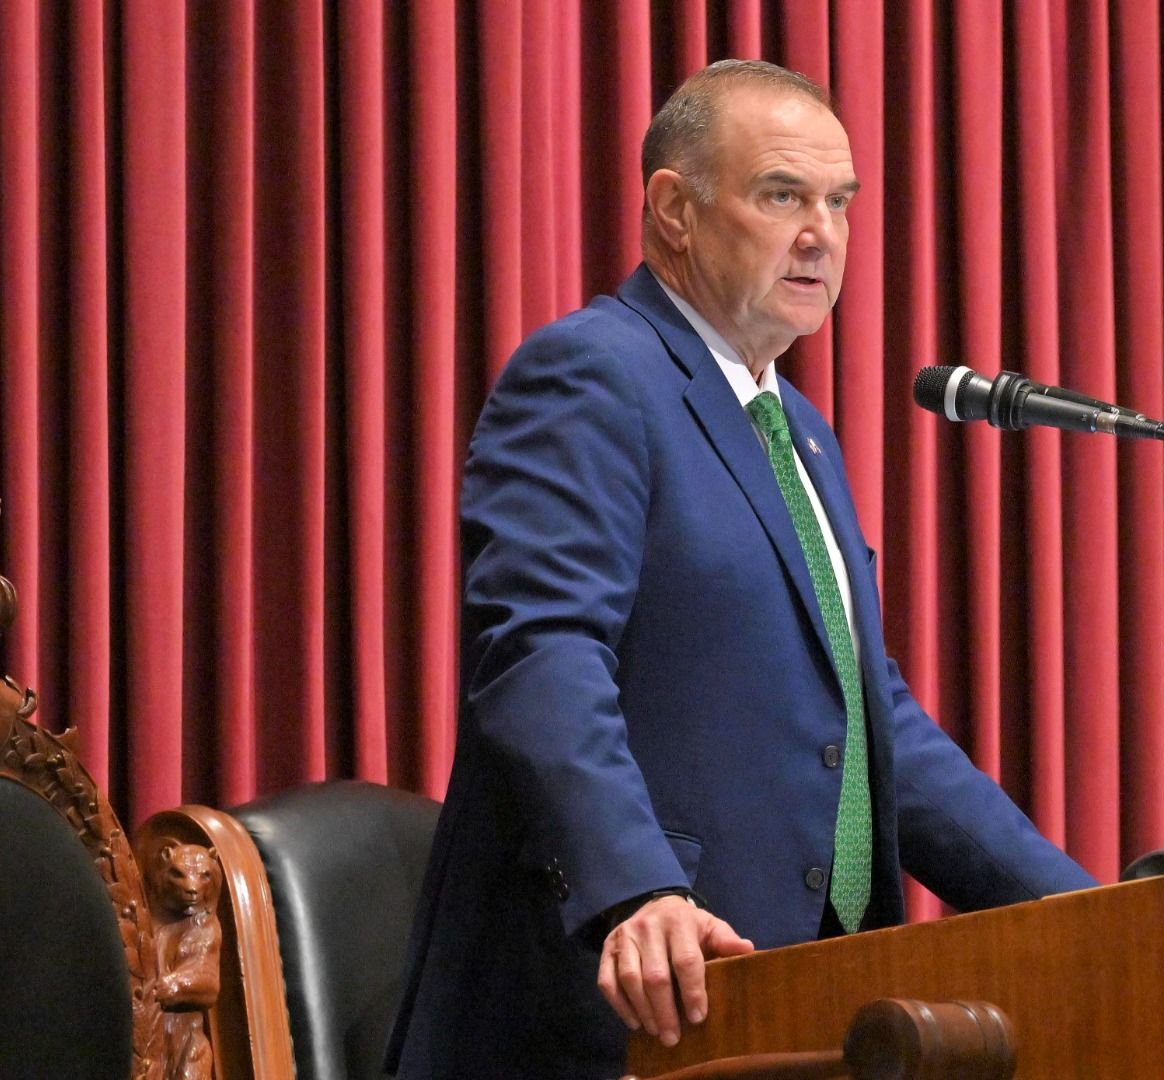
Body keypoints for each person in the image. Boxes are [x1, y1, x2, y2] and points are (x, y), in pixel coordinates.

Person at [384, 60, 1095, 1080]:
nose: (823, 234)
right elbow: (541, 653)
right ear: (672, 210)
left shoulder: (797, 431)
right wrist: (639, 889)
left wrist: (1081, 910)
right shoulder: (593, 375)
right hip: (634, 994)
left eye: (838, 202)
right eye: (781, 196)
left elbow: (870, 715)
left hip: (807, 997)